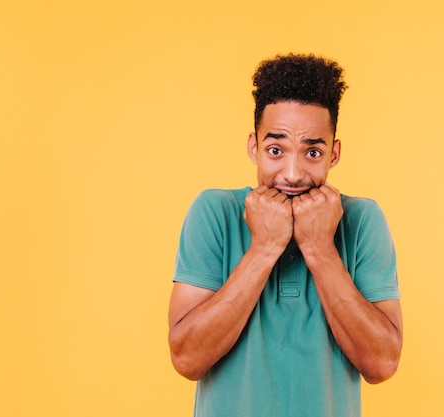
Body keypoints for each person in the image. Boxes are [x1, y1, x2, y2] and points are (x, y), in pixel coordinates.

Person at [168, 53, 403, 417]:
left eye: (312, 151)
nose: (292, 174)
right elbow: (186, 358)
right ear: (254, 147)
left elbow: (382, 364)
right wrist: (264, 248)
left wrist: (319, 248)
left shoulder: (362, 220)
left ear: (334, 154)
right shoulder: (214, 212)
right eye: (276, 150)